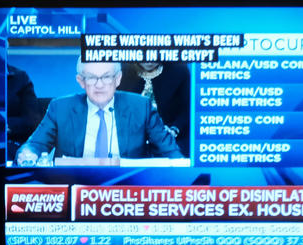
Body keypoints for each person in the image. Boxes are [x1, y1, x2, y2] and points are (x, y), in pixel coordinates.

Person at [15, 59, 183, 165]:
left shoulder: (141, 106)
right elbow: (35, 144)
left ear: (118, 79)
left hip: (129, 188)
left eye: (106, 77)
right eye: (91, 78)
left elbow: (171, 152)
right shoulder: (60, 107)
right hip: (73, 186)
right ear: (81, 81)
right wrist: (27, 153)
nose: (99, 85)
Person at [118, 61, 191, 156]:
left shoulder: (179, 70)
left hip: (171, 137)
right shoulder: (122, 71)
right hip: (129, 139)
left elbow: (187, 109)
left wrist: (174, 130)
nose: (149, 61)